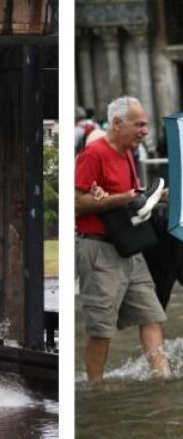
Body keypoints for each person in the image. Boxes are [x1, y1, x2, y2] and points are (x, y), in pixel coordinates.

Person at [75, 95, 170, 384]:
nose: (145, 131)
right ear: (117, 123)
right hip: (99, 250)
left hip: (130, 249)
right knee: (101, 329)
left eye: (147, 125)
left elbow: (127, 198)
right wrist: (119, 199)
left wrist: (153, 196)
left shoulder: (128, 153)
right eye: (139, 124)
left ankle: (162, 377)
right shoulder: (93, 154)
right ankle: (96, 388)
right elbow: (77, 203)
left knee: (151, 315)